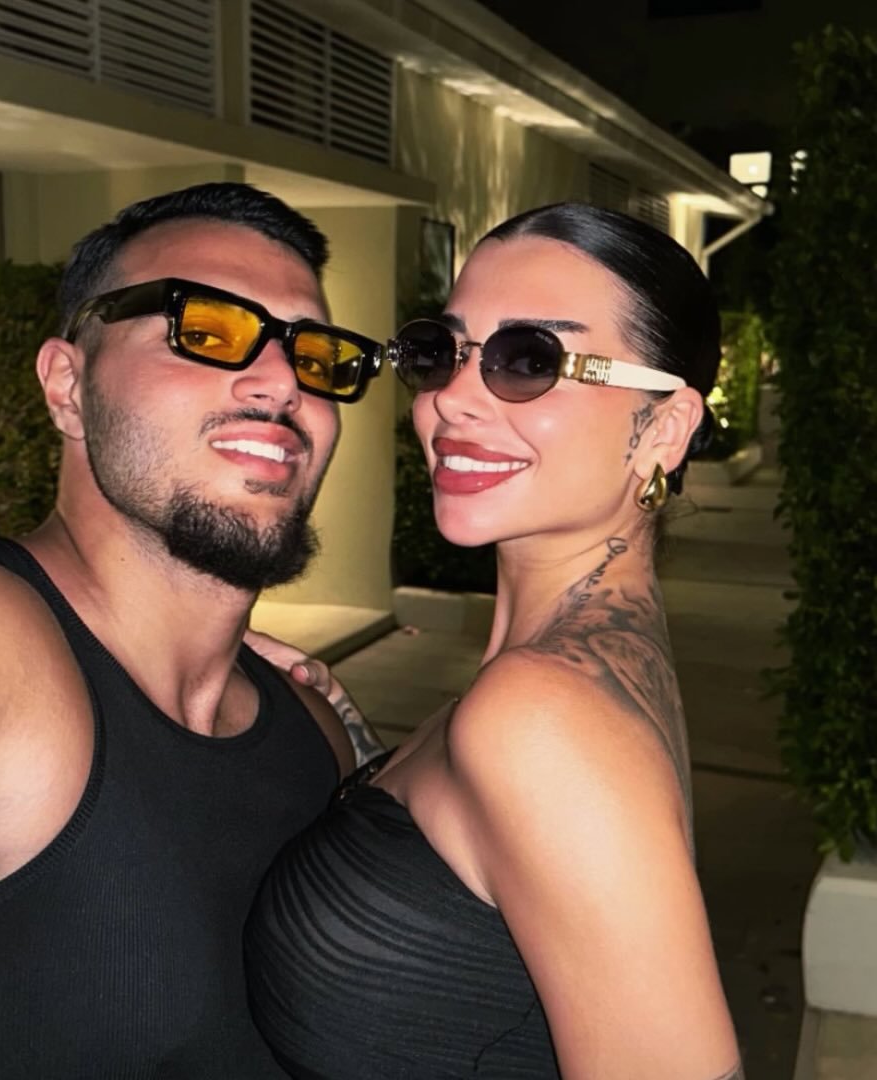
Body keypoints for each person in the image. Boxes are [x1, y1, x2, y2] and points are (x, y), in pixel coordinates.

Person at [0, 182, 386, 1078]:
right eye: (206, 329)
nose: (283, 381)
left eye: (316, 354)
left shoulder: (313, 731)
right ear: (68, 385)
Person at [245, 203, 744, 1079]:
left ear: (663, 428)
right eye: (441, 352)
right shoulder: (576, 668)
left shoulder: (543, 714)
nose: (451, 398)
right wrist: (355, 739)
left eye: (529, 360)